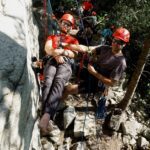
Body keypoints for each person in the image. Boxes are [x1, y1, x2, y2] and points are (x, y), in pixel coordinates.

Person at [61, 27, 130, 100]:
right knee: (68, 64)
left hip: (97, 83)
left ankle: (58, 105)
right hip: (90, 72)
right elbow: (86, 48)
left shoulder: (121, 62)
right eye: (115, 40)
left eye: (119, 42)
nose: (115, 43)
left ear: (124, 44)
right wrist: (64, 45)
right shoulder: (105, 48)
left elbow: (111, 83)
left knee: (67, 89)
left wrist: (94, 73)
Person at [38, 13, 79, 135]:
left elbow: (75, 54)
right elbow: (47, 48)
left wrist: (64, 53)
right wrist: (56, 55)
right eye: (64, 23)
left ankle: (46, 115)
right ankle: (46, 115)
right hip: (52, 60)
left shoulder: (73, 40)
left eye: (68, 25)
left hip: (66, 63)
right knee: (48, 80)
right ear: (60, 23)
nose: (65, 26)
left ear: (71, 28)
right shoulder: (52, 36)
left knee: (59, 80)